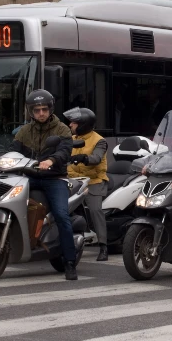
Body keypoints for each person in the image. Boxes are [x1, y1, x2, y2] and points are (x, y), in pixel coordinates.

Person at [0, 89, 77, 280]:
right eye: (37, 110)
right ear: (31, 112)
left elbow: (64, 151)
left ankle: (70, 262)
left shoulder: (61, 129)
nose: (41, 113)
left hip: (55, 178)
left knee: (62, 216)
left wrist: (51, 161)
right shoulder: (24, 131)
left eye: (44, 109)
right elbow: (13, 152)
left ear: (50, 109)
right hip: (29, 177)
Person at [64, 107, 109, 262]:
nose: (70, 125)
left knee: (95, 210)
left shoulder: (99, 141)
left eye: (73, 122)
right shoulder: (71, 138)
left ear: (83, 124)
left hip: (93, 181)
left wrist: (84, 158)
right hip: (72, 180)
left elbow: (96, 158)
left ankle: (103, 246)